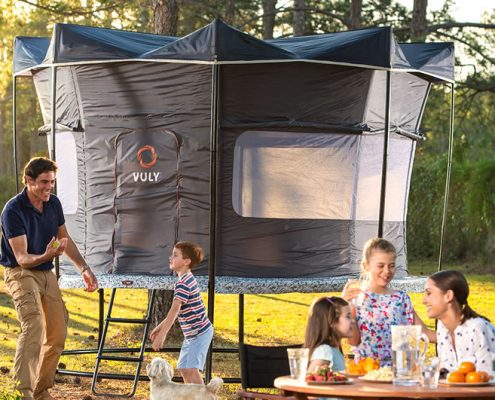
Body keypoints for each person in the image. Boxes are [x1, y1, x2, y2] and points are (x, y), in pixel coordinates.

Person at [0, 157, 98, 400]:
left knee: (57, 331)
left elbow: (64, 240)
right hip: (21, 272)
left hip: (46, 272)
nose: (48, 187)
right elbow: (22, 258)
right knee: (34, 323)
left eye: (51, 182)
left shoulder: (53, 203)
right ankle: (23, 393)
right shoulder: (13, 210)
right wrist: (46, 254)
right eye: (44, 182)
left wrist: (84, 268)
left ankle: (41, 390)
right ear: (28, 180)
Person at [342, 237, 435, 365]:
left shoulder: (401, 299)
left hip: (398, 370)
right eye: (380, 265)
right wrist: (346, 309)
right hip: (366, 370)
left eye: (391, 266)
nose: (387, 271)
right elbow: (353, 342)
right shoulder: (355, 298)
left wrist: (458, 333)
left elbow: (425, 333)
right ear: (366, 266)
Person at [149, 241, 213, 384]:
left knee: (191, 369)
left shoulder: (184, 283)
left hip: (200, 332)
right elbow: (176, 312)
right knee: (184, 368)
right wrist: (159, 328)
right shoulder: (184, 280)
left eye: (175, 255)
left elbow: (174, 310)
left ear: (186, 261)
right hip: (191, 334)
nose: (170, 258)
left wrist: (162, 335)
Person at [423, 269, 495, 372]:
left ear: (448, 296)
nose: (424, 301)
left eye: (429, 293)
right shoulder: (442, 328)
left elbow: (487, 380)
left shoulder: (478, 329)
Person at [304, 296, 354, 373]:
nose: (353, 321)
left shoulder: (334, 350)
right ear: (332, 322)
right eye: (348, 316)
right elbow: (311, 380)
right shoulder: (325, 350)